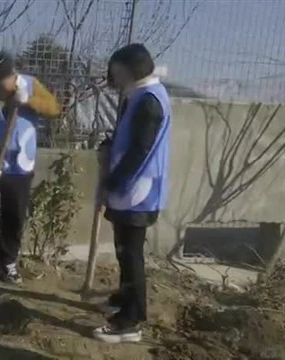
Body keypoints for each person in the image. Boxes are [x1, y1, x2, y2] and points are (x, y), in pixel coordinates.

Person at [92, 43, 172, 343]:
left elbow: (141, 150)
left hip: (138, 190)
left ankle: (131, 320)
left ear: (127, 69)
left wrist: (114, 180)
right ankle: (125, 297)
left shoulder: (150, 101)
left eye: (115, 70)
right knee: (124, 251)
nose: (112, 77)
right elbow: (130, 137)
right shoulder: (138, 95)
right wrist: (111, 145)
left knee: (131, 254)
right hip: (131, 188)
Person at [0, 50, 61, 284]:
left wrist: (28, 101)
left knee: (14, 216)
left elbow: (55, 108)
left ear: (11, 76)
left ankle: (6, 263)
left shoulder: (30, 85)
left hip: (20, 168)